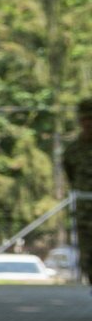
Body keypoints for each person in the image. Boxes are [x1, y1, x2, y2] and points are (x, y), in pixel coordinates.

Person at [67, 97, 92, 291]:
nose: (88, 123)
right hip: (85, 214)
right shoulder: (73, 149)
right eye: (84, 119)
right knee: (88, 259)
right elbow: (71, 175)